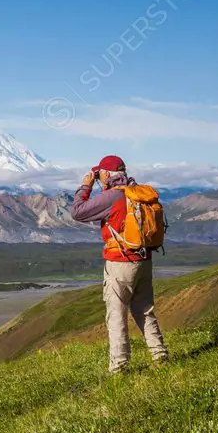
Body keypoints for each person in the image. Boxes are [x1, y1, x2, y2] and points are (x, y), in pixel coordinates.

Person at [71, 155, 169, 374]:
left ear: (106, 174)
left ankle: (119, 367)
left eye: (99, 175)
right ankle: (159, 354)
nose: (98, 178)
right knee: (145, 310)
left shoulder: (113, 197)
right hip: (144, 261)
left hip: (120, 263)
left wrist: (85, 186)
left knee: (116, 314)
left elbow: (78, 212)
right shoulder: (139, 193)